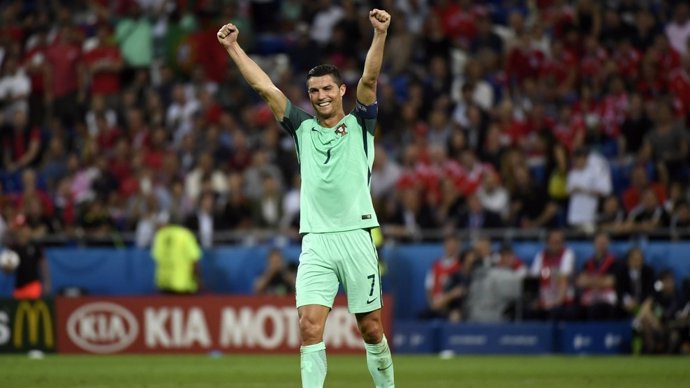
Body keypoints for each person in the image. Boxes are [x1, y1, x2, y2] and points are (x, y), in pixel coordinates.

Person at [216, 9, 395, 388]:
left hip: (356, 235)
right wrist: (233, 47)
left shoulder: (361, 123)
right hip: (315, 240)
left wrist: (379, 34)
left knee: (371, 328)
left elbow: (371, 77)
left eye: (328, 89)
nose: (320, 96)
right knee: (309, 325)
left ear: (341, 90)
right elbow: (265, 88)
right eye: (314, 91)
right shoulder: (302, 128)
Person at [2, 214, 50, 299]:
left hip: (33, 285)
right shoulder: (14, 248)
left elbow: (43, 264)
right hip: (19, 287)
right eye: (20, 229)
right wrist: (7, 268)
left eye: (25, 228)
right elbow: (8, 269)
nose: (23, 231)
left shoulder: (35, 245)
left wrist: (46, 282)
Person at [151, 214, 202, 294]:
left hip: (164, 283)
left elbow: (156, 256)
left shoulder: (160, 235)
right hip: (182, 284)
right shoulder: (185, 235)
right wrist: (198, 279)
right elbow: (194, 259)